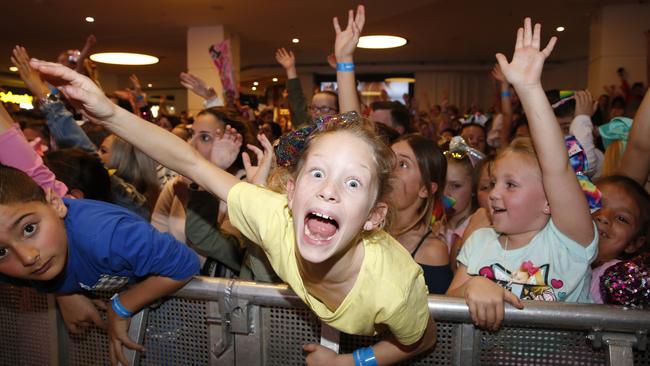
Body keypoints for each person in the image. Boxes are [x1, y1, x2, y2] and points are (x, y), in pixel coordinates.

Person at [30, 6, 438, 365]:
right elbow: (187, 160)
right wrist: (107, 113)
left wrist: (351, 363)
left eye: (351, 184)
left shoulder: (395, 288)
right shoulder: (273, 217)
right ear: (290, 192)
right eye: (317, 173)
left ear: (374, 218)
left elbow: (422, 341)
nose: (329, 190)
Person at [0, 102, 200, 366]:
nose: (27, 257)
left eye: (29, 229)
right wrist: (64, 291)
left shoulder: (109, 237)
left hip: (175, 318)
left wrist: (121, 306)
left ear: (58, 204)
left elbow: (185, 264)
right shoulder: (18, 255)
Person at [446, 18, 597, 331]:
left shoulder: (569, 242)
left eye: (511, 185)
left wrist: (528, 89)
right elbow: (447, 304)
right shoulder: (481, 242)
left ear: (549, 201)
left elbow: (557, 167)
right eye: (492, 184)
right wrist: (472, 287)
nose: (494, 193)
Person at [387, 134, 452, 294]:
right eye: (388, 161)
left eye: (402, 164)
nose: (389, 170)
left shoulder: (432, 252)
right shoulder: (366, 230)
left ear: (425, 189)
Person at [590, 175, 649, 303]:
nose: (603, 217)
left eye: (622, 218)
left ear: (633, 244)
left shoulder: (614, 278)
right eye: (596, 203)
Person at [275, 47, 339, 127]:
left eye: (324, 109)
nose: (317, 112)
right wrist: (290, 69)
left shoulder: (343, 132)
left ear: (338, 112)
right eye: (313, 108)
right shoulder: (308, 127)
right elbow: (297, 102)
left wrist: (342, 70)